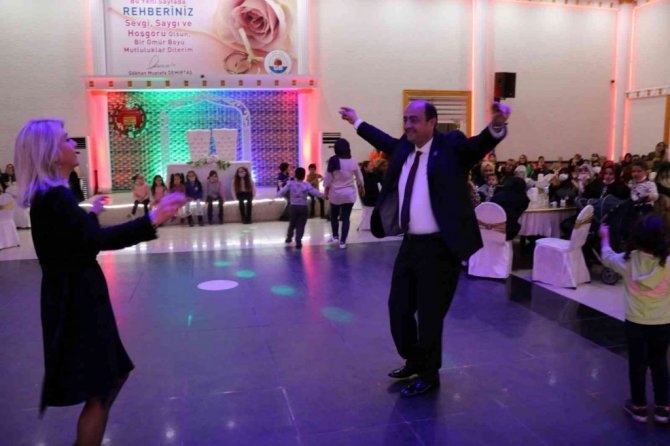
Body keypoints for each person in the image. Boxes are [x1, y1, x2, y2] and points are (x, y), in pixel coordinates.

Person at [13, 119, 186, 446]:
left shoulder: (53, 197)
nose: (73, 145)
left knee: (110, 377)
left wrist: (90, 213)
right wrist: (153, 218)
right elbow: (96, 241)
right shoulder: (55, 198)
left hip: (75, 297)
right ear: (51, 153)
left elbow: (78, 238)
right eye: (66, 140)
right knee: (104, 384)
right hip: (78, 302)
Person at [339, 100, 510, 397]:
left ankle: (429, 375)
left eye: (414, 119)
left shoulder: (451, 147)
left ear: (432, 122)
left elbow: (478, 145)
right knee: (398, 308)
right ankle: (414, 359)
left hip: (440, 247)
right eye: (406, 119)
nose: (408, 125)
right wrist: (356, 121)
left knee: (430, 315)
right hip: (411, 244)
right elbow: (382, 139)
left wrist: (496, 126)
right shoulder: (404, 148)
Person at [600, 215, 670, 424]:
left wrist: (605, 238)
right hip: (663, 322)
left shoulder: (628, 261)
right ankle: (663, 407)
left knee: (637, 364)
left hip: (636, 322)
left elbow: (606, 257)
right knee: (660, 362)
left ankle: (638, 406)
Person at [323, 138, 364, 249]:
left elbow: (328, 179)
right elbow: (360, 177)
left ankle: (335, 236)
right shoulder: (352, 161)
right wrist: (362, 186)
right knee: (346, 218)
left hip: (335, 194)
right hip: (349, 194)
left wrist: (326, 190)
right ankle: (343, 242)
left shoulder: (333, 161)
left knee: (334, 216)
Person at [277, 167, 323, 249]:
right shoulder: (306, 184)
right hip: (303, 207)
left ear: (295, 175)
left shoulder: (290, 183)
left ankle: (289, 238)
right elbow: (314, 192)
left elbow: (282, 191)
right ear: (304, 175)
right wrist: (323, 196)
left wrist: (277, 195)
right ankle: (298, 241)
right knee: (301, 225)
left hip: (293, 207)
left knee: (292, 223)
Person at [359, 160, 383, 231]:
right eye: (370, 166)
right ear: (365, 167)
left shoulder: (372, 174)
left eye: (372, 166)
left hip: (373, 196)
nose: (372, 167)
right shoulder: (363, 176)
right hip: (369, 198)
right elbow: (368, 189)